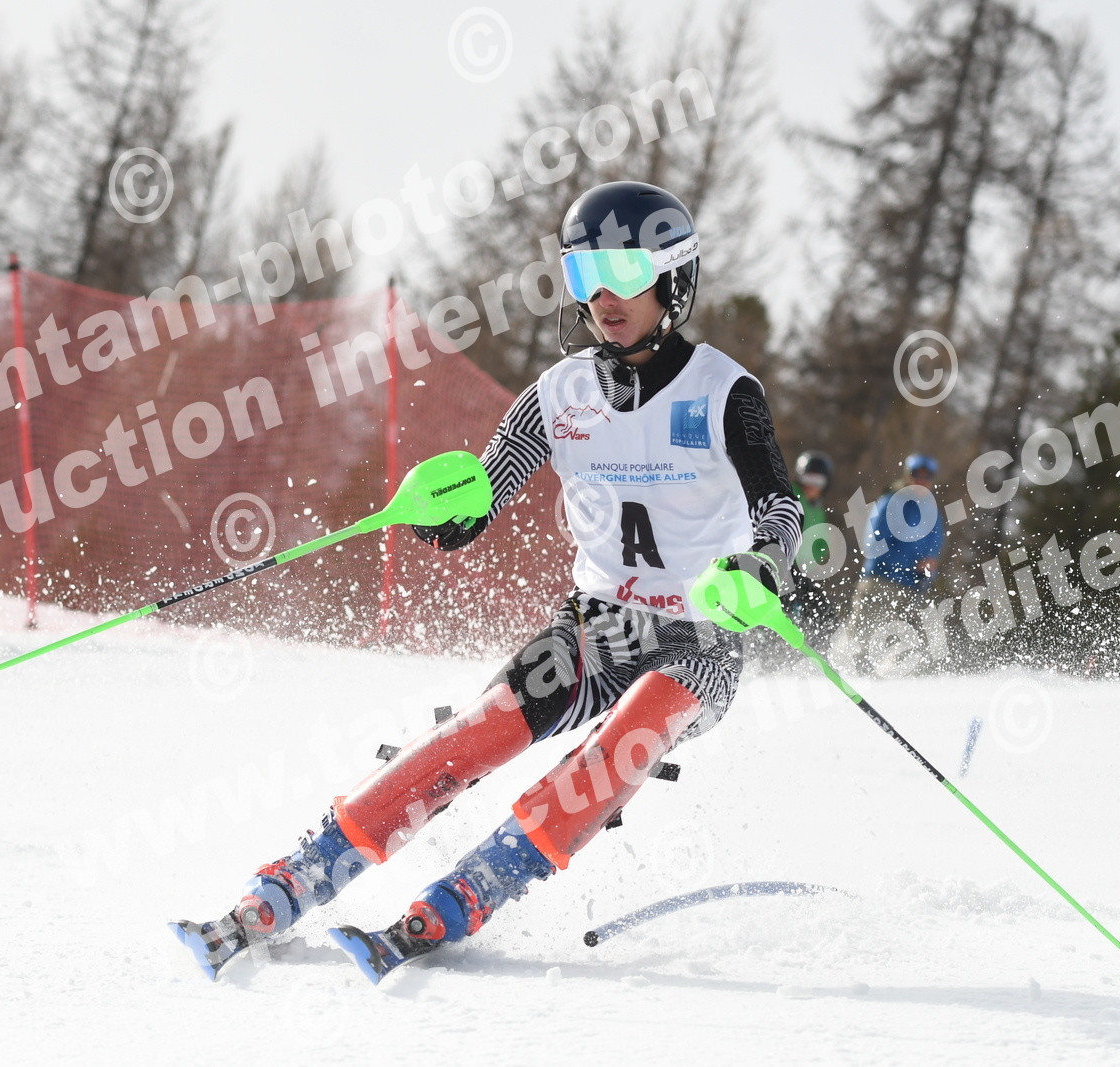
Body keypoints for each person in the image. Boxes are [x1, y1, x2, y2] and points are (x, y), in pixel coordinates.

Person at [173, 181, 803, 982]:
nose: (602, 296)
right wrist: (453, 515)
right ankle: (296, 878)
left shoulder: (724, 391)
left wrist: (762, 560)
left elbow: (780, 505)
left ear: (673, 277)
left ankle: (473, 889)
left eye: (622, 272)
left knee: (629, 735)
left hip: (702, 640)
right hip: (597, 624)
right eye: (583, 275)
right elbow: (489, 483)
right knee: (481, 729)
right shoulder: (560, 393)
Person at [835, 453, 946, 673]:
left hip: (911, 588)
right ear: (907, 476)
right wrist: (909, 563)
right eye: (916, 475)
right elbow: (873, 544)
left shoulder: (933, 513)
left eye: (927, 477)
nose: (921, 482)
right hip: (879, 582)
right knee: (860, 639)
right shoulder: (890, 502)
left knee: (908, 648)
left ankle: (893, 682)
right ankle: (841, 672)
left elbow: (933, 552)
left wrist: (928, 569)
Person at [782, 450, 839, 643]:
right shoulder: (792, 496)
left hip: (805, 571)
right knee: (786, 612)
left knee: (824, 615)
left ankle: (819, 647)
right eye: (808, 479)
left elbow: (819, 537)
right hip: (786, 568)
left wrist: (821, 553)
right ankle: (776, 648)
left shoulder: (816, 506)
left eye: (818, 481)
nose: (812, 486)